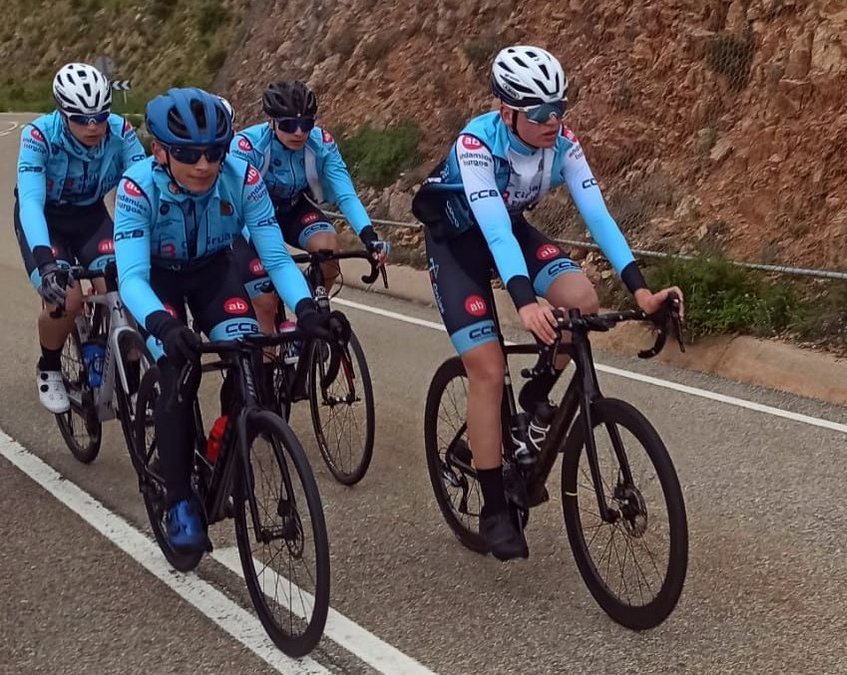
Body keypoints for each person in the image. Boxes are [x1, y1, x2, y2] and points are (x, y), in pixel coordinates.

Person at [411, 45, 684, 561]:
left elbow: (598, 216)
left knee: (581, 298)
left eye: (560, 108)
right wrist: (523, 302)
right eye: (539, 112)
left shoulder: (563, 142)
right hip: (458, 247)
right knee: (488, 371)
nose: (552, 121)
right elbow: (491, 227)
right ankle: (494, 508)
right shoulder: (477, 144)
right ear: (506, 111)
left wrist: (643, 291)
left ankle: (536, 390)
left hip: (509, 232)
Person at [114, 87, 340, 552]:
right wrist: (162, 324)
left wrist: (306, 309)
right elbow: (132, 276)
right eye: (188, 154)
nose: (204, 165)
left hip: (214, 273)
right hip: (159, 282)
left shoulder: (243, 178)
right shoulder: (138, 187)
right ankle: (177, 499)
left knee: (249, 356)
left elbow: (276, 257)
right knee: (180, 372)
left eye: (214, 152)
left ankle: (223, 441)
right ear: (159, 151)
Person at [14, 62, 145, 413]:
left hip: (90, 218)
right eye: (80, 118)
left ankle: (131, 375)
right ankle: (50, 366)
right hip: (47, 220)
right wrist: (45, 262)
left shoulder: (121, 132)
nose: (93, 126)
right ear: (61, 112)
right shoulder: (39, 136)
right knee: (66, 299)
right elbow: (29, 201)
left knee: (125, 288)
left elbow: (141, 189)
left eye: (100, 115)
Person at [227, 80, 390, 333]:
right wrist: (273, 257)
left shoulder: (321, 143)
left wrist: (369, 237)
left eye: (306, 124)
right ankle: (264, 368)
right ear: (271, 122)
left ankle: (308, 317)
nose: (299, 133)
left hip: (292, 208)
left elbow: (345, 195)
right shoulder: (247, 146)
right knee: (265, 304)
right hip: (249, 218)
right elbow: (237, 208)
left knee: (329, 249)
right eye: (289, 125)